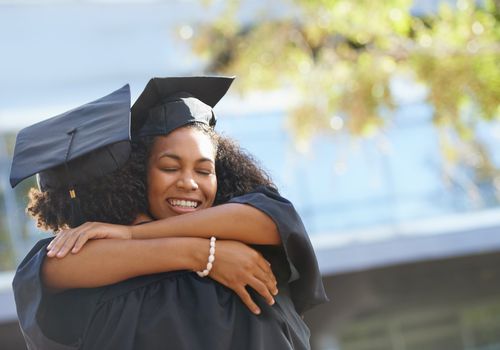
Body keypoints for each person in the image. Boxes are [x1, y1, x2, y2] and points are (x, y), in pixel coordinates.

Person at [13, 77, 328, 349]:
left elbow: (271, 221)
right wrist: (205, 255)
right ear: (138, 176)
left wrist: (136, 233)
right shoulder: (93, 268)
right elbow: (56, 266)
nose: (188, 183)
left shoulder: (251, 238)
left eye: (205, 170)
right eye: (169, 167)